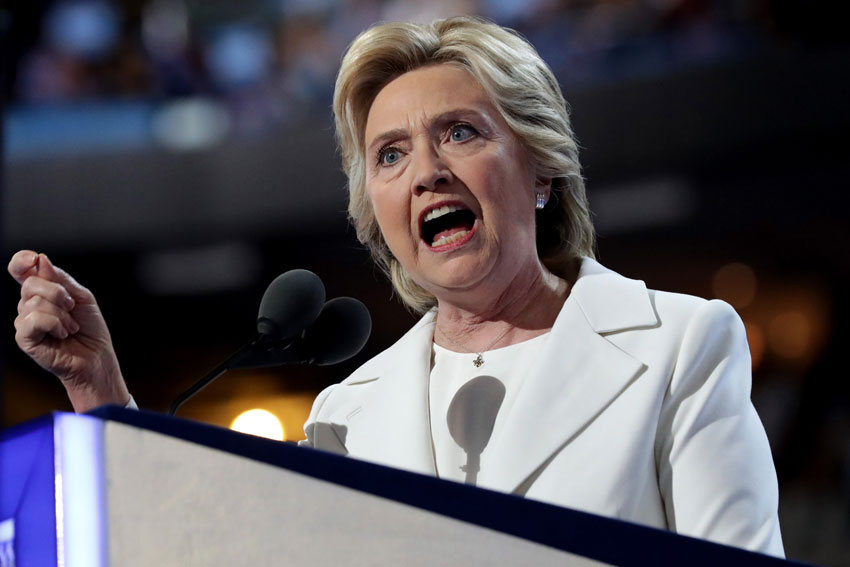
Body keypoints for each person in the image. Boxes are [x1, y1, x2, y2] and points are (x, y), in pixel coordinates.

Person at [7, 16, 783, 557]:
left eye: (461, 132)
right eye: (390, 155)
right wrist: (99, 386)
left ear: (541, 167)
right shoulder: (347, 416)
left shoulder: (685, 345)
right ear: (374, 212)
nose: (427, 171)